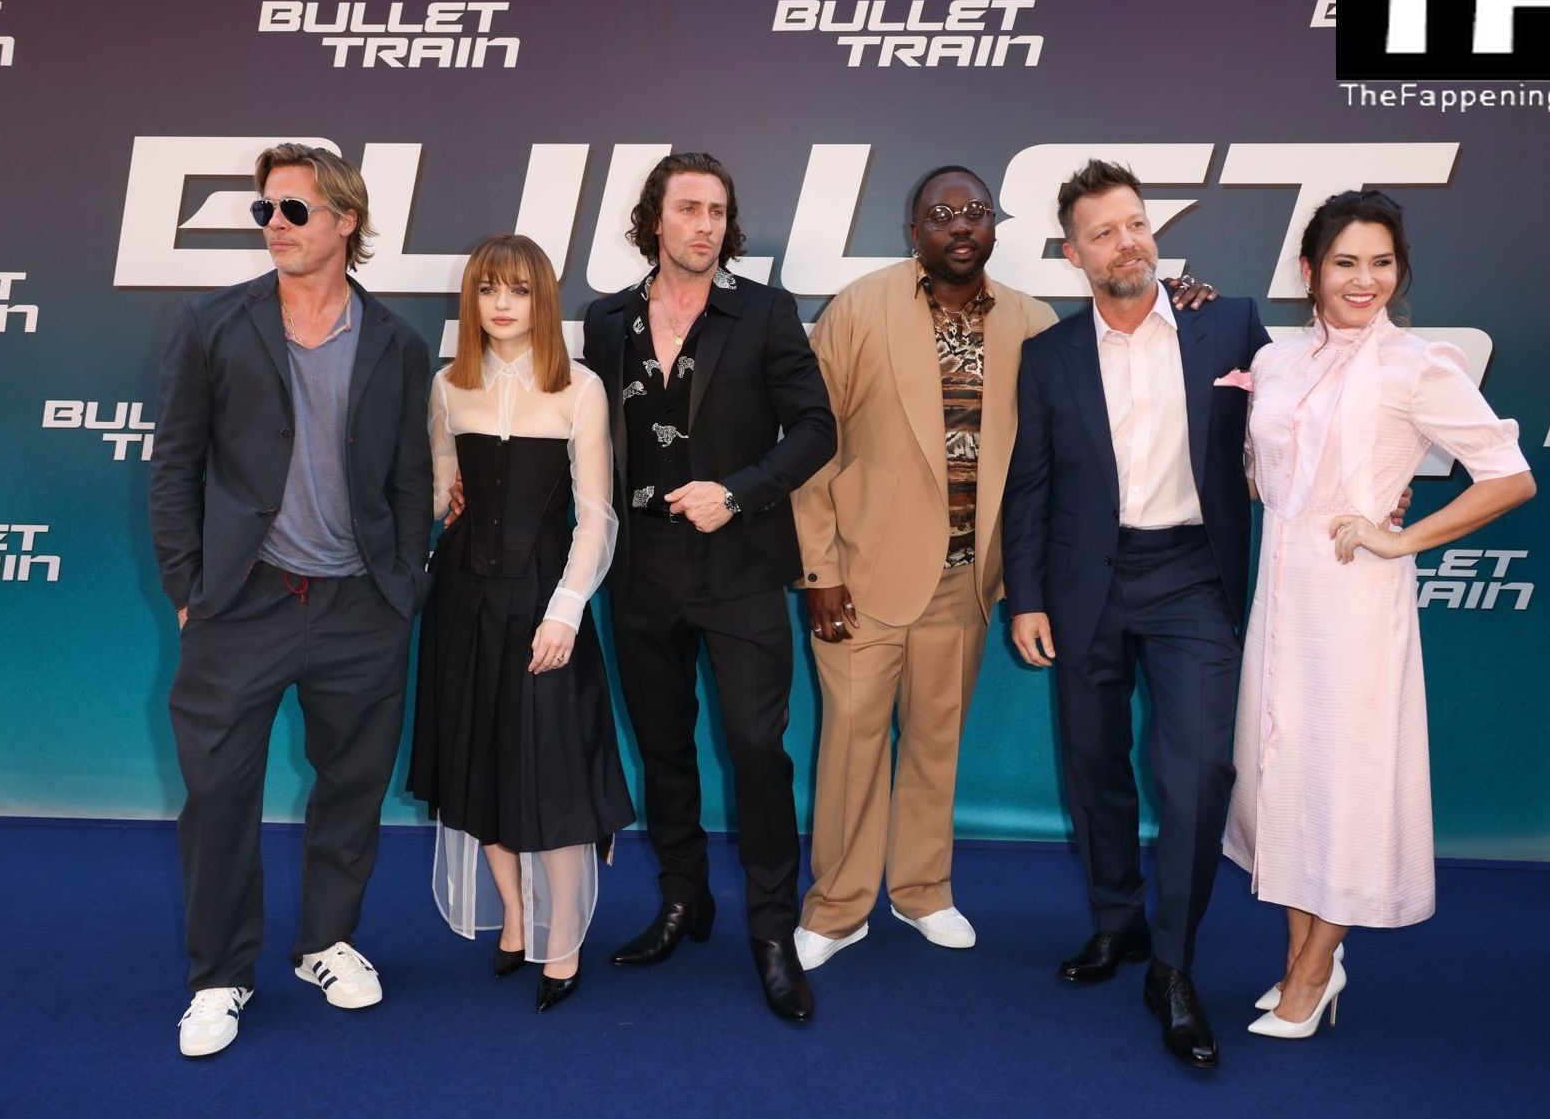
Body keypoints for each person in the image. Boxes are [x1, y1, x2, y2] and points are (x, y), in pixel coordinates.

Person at [790, 165, 1217, 971]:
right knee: (850, 748)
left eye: (976, 212)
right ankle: (838, 907)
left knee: (936, 743)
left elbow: (1088, 408)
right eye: (941, 213)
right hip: (860, 577)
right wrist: (819, 569)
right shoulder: (859, 309)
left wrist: (1182, 296)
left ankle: (922, 890)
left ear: (994, 228)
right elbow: (811, 443)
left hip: (964, 578)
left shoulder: (1031, 321)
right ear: (914, 230)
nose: (961, 225)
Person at [1225, 190, 1534, 1039]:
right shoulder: (1279, 362)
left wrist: (1399, 539)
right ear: (1309, 270)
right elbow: (1262, 477)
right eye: (1345, 262)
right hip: (1280, 599)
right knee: (1287, 777)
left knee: (1348, 784)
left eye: (1382, 262)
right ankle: (1307, 959)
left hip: (1357, 605)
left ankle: (1312, 968)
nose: (1364, 280)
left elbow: (1509, 475)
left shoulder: (1417, 365)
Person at [150, 143, 433, 1057]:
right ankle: (220, 976)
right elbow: (175, 467)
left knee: (353, 785)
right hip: (243, 601)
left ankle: (325, 943)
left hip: (361, 605)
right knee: (217, 794)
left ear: (345, 220)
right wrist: (189, 590)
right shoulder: (211, 324)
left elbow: (411, 477)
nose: (274, 224)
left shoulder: (396, 341)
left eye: (295, 210)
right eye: (265, 209)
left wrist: (403, 585)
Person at [1002, 158, 1272, 1070]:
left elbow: (1298, 425)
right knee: (1094, 766)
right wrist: (1026, 597)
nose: (1128, 243)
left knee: (1196, 774)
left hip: (1193, 576)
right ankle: (1116, 920)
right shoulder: (1050, 356)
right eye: (1105, 233)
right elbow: (1030, 485)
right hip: (1086, 583)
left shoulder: (1224, 322)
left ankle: (1174, 963)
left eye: (1137, 224)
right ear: (1073, 254)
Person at [586, 152, 836, 1022]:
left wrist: (738, 491)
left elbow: (816, 428)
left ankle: (772, 931)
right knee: (662, 747)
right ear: (653, 218)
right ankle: (682, 897)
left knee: (757, 749)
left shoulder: (764, 311)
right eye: (688, 208)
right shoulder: (607, 319)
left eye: (717, 211)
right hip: (640, 570)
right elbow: (583, 434)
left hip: (739, 568)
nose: (704, 225)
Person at [407, 234, 635, 1014]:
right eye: (486, 289)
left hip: (544, 601)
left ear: (543, 298)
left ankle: (562, 941)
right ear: (470, 300)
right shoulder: (447, 387)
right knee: (476, 767)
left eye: (518, 289)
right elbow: (438, 497)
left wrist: (565, 611)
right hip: (461, 604)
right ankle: (512, 916)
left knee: (553, 778)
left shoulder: (580, 387)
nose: (501, 304)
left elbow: (597, 516)